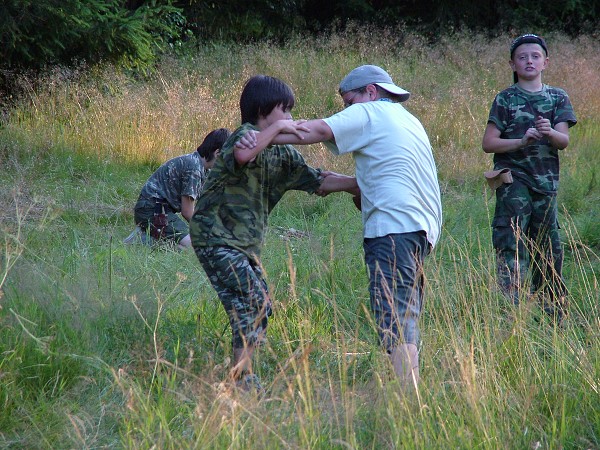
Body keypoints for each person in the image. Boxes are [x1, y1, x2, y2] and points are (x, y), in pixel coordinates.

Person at [237, 65, 443, 391]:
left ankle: (409, 405)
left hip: (393, 229)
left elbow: (314, 131)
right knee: (402, 313)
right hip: (420, 230)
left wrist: (271, 130)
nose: (347, 111)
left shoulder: (371, 112)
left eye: (349, 102)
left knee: (395, 319)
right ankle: (405, 395)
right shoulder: (408, 120)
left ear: (371, 92)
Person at [189, 75, 357, 392]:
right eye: (286, 112)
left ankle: (239, 379)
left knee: (258, 306)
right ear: (264, 111)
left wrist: (358, 184)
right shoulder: (244, 137)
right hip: (215, 237)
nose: (292, 120)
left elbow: (319, 181)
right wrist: (279, 130)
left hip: (244, 246)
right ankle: (243, 380)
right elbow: (243, 156)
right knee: (253, 300)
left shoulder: (283, 155)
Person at [481, 34, 577, 323]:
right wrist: (521, 142)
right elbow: (489, 143)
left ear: (545, 62)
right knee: (512, 242)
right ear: (513, 63)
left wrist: (549, 132)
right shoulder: (505, 99)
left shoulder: (557, 97)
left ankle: (553, 315)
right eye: (522, 57)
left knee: (549, 248)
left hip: (546, 184)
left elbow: (564, 141)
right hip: (514, 182)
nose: (529, 61)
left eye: (535, 56)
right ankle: (512, 314)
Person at [124, 128, 231, 250]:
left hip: (159, 210)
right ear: (218, 153)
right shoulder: (194, 169)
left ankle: (152, 236)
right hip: (151, 210)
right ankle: (143, 240)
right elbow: (187, 212)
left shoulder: (202, 167)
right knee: (194, 247)